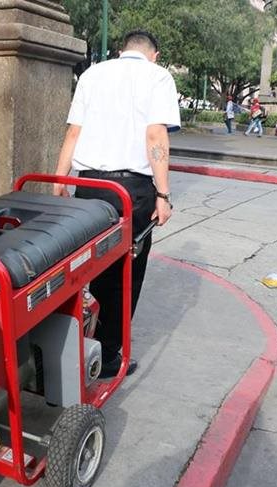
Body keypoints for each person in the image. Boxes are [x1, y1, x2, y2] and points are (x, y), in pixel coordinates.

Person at [52, 30, 180, 378]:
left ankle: (76, 340)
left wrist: (60, 181)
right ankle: (107, 355)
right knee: (126, 272)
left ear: (121, 50)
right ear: (154, 54)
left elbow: (73, 132)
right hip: (131, 190)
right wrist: (164, 194)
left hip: (88, 186)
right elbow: (156, 134)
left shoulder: (93, 73)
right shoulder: (158, 76)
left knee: (88, 266)